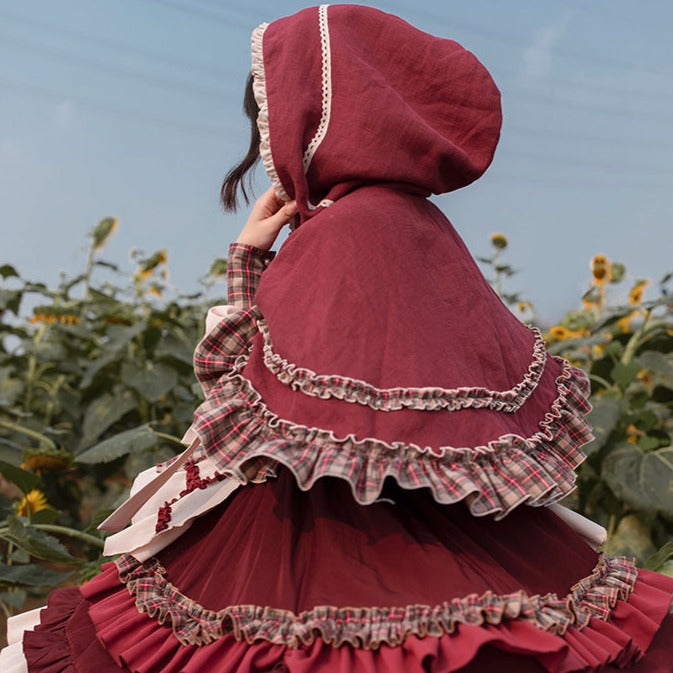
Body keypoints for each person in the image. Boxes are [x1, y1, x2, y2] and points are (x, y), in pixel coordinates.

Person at [2, 4, 672, 672]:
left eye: (271, 122)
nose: (269, 146)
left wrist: (245, 259)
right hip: (462, 544)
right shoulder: (425, 233)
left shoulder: (340, 237)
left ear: (315, 122)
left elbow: (243, 406)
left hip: (322, 543)